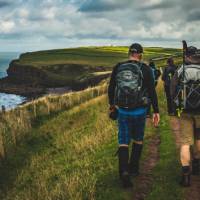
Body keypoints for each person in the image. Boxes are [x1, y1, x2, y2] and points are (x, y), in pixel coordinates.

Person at [108, 43, 160, 188]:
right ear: (141, 54)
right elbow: (152, 91)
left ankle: (124, 172)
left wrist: (112, 105)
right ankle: (134, 169)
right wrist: (156, 111)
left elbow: (111, 88)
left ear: (129, 53)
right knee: (138, 139)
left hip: (123, 111)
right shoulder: (146, 69)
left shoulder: (118, 66)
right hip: (140, 111)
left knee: (123, 141)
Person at [171, 41, 200, 187]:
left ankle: (186, 176)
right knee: (199, 138)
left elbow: (172, 90)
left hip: (186, 111)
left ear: (187, 55)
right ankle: (197, 165)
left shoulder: (181, 69)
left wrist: (176, 104)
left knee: (185, 143)